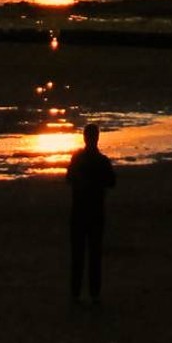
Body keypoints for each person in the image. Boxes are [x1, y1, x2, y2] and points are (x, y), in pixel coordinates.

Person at [66, 123, 116, 302]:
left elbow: (69, 178)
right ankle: (92, 292)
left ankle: (77, 291)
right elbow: (111, 182)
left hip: (81, 212)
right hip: (93, 212)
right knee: (93, 254)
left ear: (86, 138)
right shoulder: (101, 160)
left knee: (79, 254)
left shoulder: (78, 158)